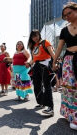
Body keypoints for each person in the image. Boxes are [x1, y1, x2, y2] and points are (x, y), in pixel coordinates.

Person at [53, 2, 77, 130]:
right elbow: (59, 48)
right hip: (68, 61)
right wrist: (54, 61)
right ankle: (71, 114)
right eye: (64, 15)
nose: (67, 16)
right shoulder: (64, 30)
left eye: (69, 13)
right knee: (69, 88)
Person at [27, 30, 55, 116]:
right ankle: (41, 102)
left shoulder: (45, 42)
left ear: (39, 35)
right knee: (37, 85)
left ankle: (50, 108)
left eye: (36, 35)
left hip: (45, 65)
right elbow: (34, 59)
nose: (35, 38)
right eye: (33, 36)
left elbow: (52, 54)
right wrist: (29, 64)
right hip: (36, 66)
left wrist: (55, 63)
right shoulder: (33, 46)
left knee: (47, 86)